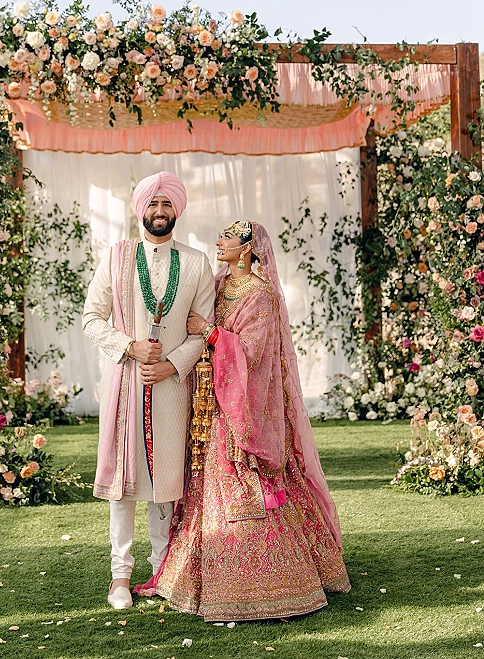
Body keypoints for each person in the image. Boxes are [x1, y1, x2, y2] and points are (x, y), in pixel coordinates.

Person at [147, 220, 351, 621]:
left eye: (227, 237)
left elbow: (253, 355)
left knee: (243, 485)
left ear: (247, 249)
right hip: (211, 400)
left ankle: (277, 582)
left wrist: (209, 332)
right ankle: (197, 574)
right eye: (220, 235)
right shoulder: (220, 286)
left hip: (241, 408)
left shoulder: (261, 295)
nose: (218, 241)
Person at [82, 172, 215, 611]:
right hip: (124, 382)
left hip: (173, 387)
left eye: (167, 204)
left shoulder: (196, 263)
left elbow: (203, 329)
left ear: (177, 209)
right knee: (124, 483)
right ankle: (120, 576)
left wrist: (172, 364)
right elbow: (92, 318)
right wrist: (130, 347)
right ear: (140, 208)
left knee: (166, 482)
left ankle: (162, 570)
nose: (160, 212)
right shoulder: (116, 257)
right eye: (153, 204)